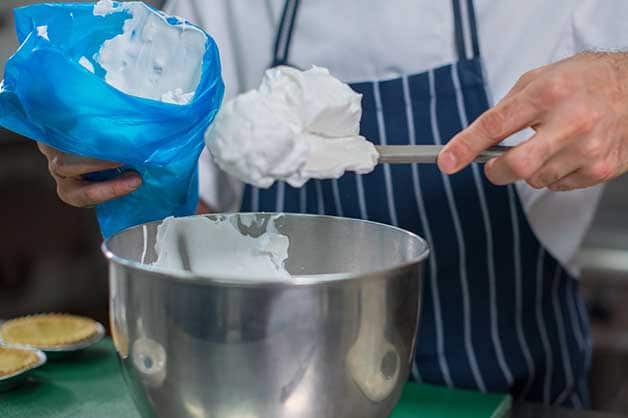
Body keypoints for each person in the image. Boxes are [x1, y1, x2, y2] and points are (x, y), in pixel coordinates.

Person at [37, 0, 628, 408]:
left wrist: (622, 81)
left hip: (509, 394)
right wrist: (114, 153)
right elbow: (190, 225)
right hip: (265, 394)